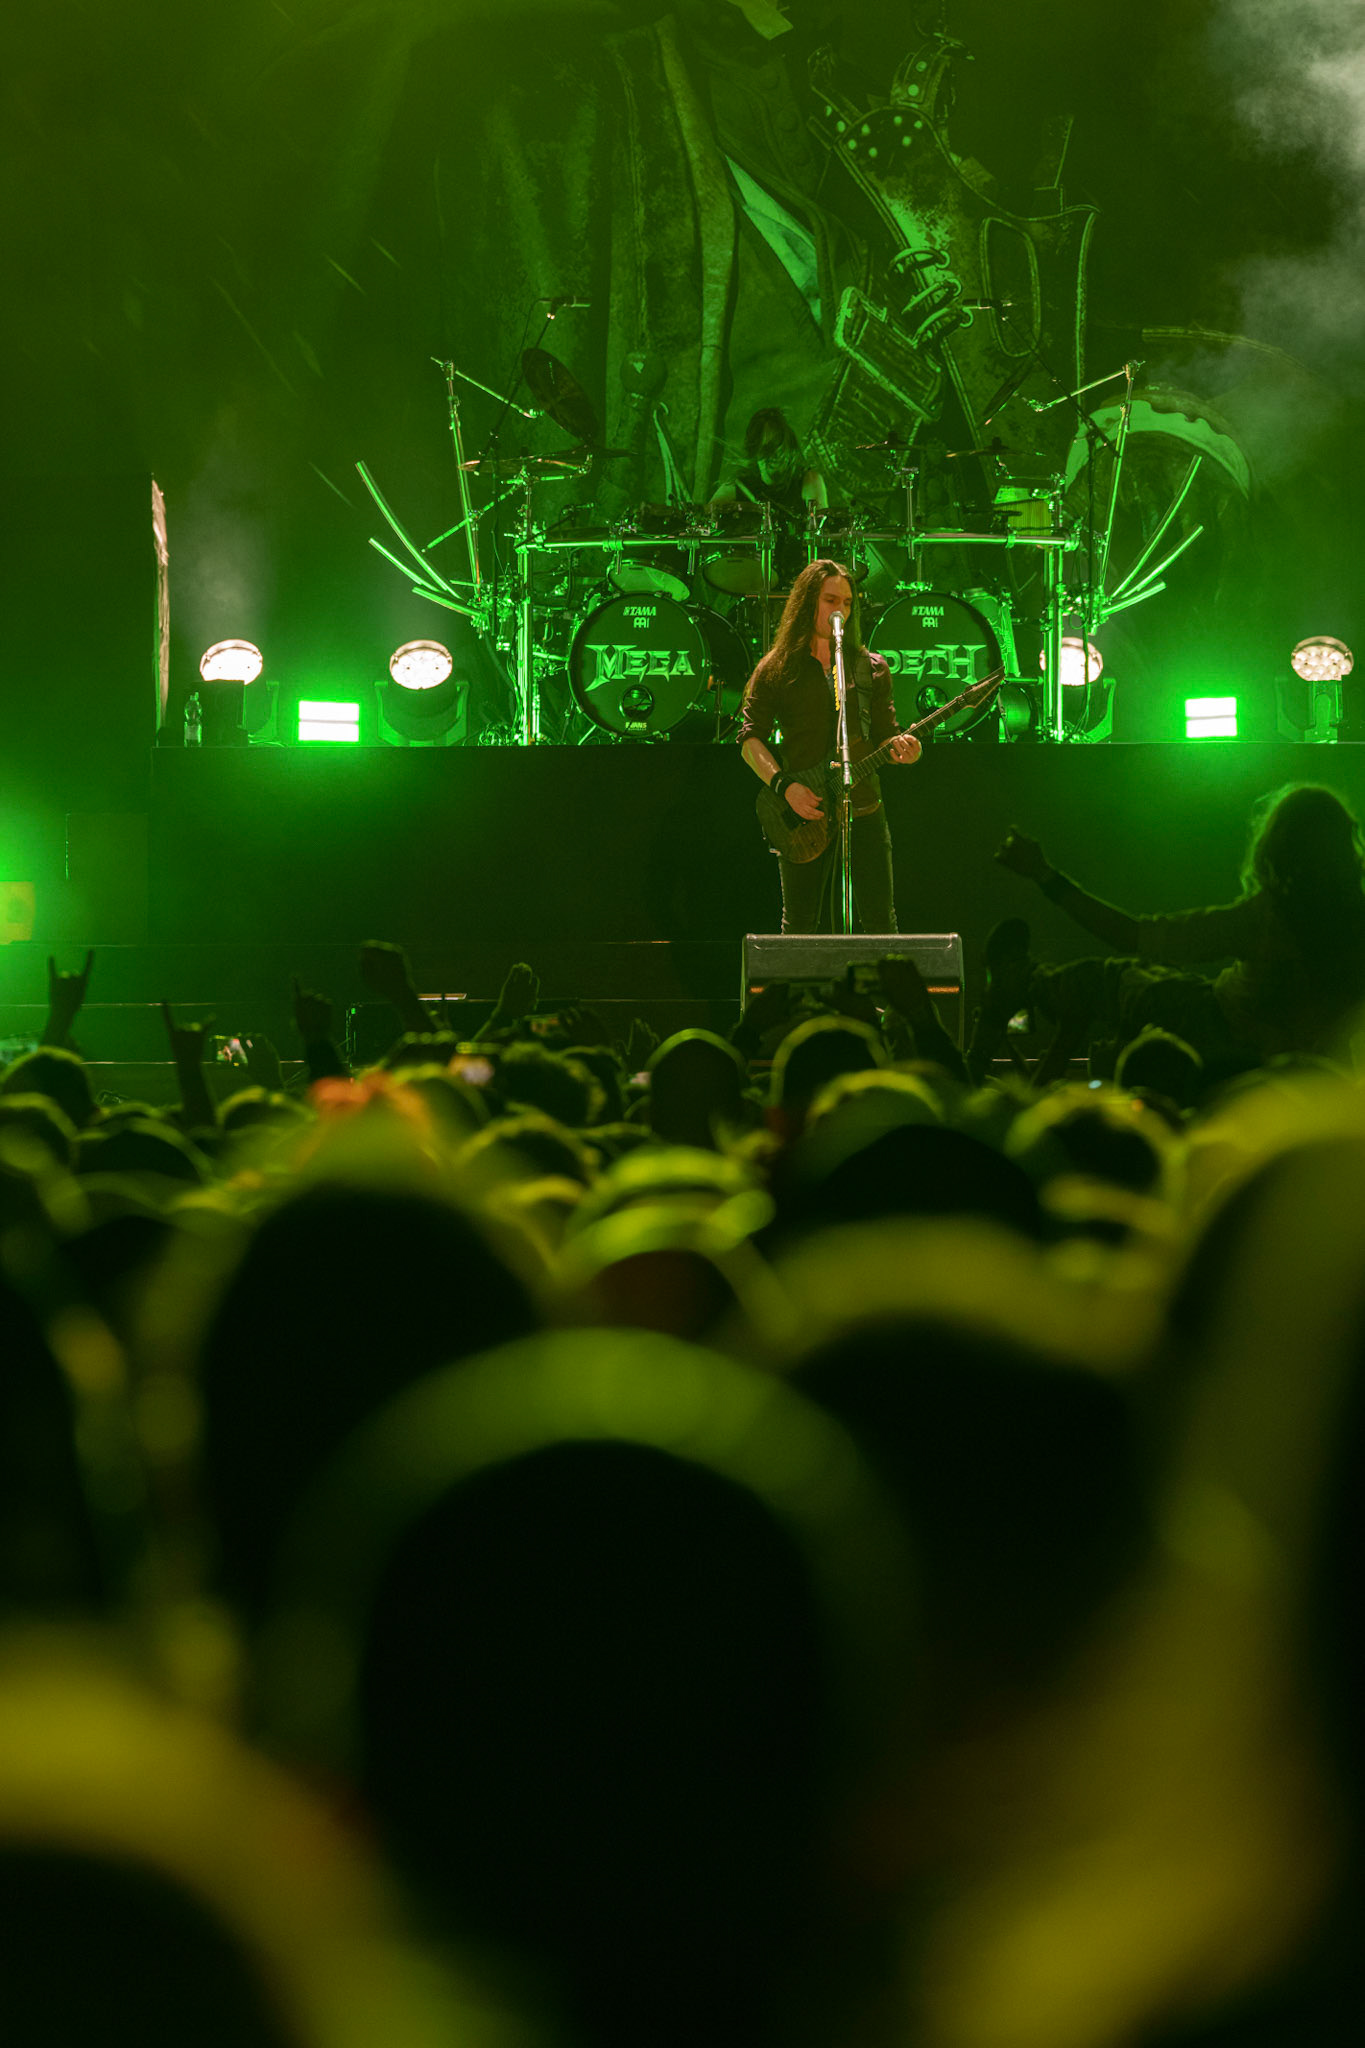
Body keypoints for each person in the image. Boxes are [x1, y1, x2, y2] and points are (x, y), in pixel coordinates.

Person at [995, 782, 1365, 1060]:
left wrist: (1043, 875)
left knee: (1108, 977)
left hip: (1217, 1029)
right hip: (1308, 1062)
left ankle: (1022, 981)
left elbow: (1134, 936)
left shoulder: (1266, 919)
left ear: (1279, 848)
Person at [739, 559, 920, 934]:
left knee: (879, 921)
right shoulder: (777, 667)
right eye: (830, 600)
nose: (840, 610)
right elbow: (749, 737)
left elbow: (886, 732)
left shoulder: (870, 667)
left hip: (864, 806)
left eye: (848, 602)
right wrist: (784, 787)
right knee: (801, 923)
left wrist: (903, 747)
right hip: (805, 810)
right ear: (808, 602)